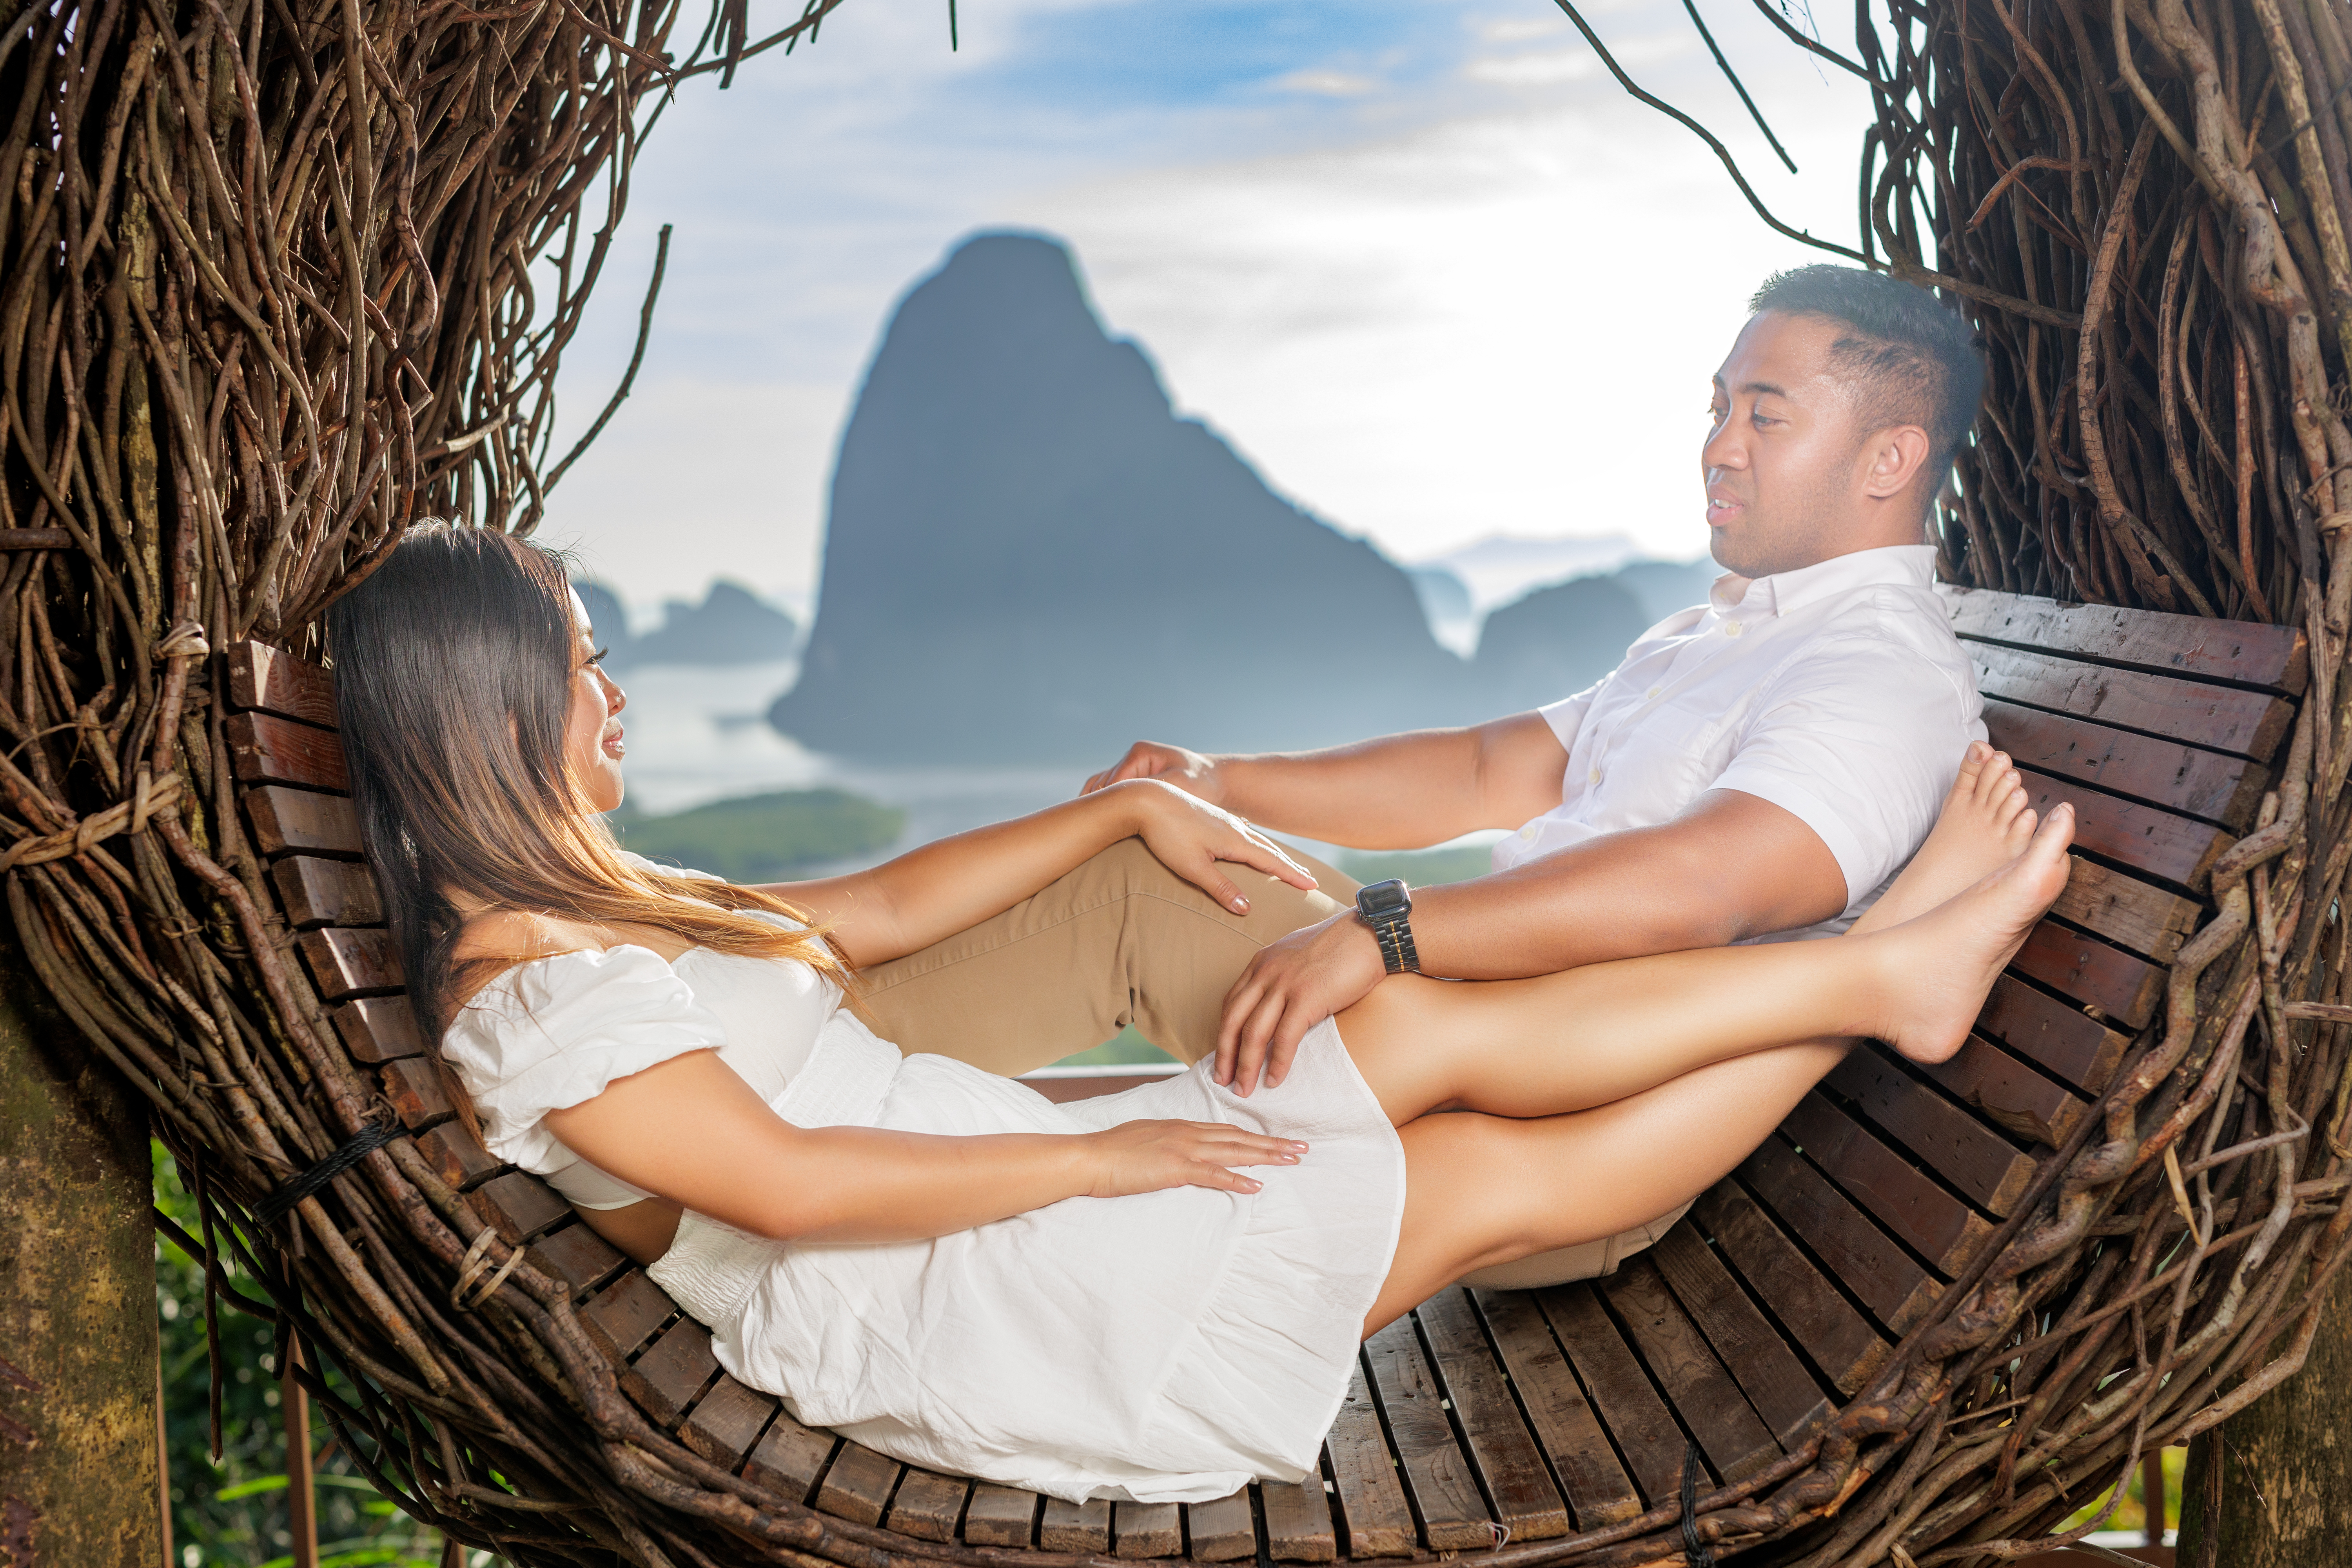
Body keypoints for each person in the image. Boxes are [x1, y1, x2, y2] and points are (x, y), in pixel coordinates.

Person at [328, 522, 2072, 1506]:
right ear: (488, 713)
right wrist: (1100, 1162)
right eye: (581, 660)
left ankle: (1876, 967)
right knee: (1480, 1179)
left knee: (1420, 1050)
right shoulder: (524, 1000)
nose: (615, 691)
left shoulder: (585, 914)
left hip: (974, 1191)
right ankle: (1875, 986)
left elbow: (864, 912)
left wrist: (1117, 812)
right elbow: (784, 1188)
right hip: (961, 1297)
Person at [855, 263, 1994, 1283]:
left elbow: (1706, 887)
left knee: (1142, 887)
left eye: (1766, 414)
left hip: (1544, 1115)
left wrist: (1386, 931)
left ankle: (754, 1082)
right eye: (1718, 405)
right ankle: (797, 1126)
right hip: (1468, 1030)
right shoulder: (1730, 631)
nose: (1719, 443)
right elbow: (1488, 768)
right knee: (1147, 911)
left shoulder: (1876, 676)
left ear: (1889, 458)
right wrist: (1224, 781)